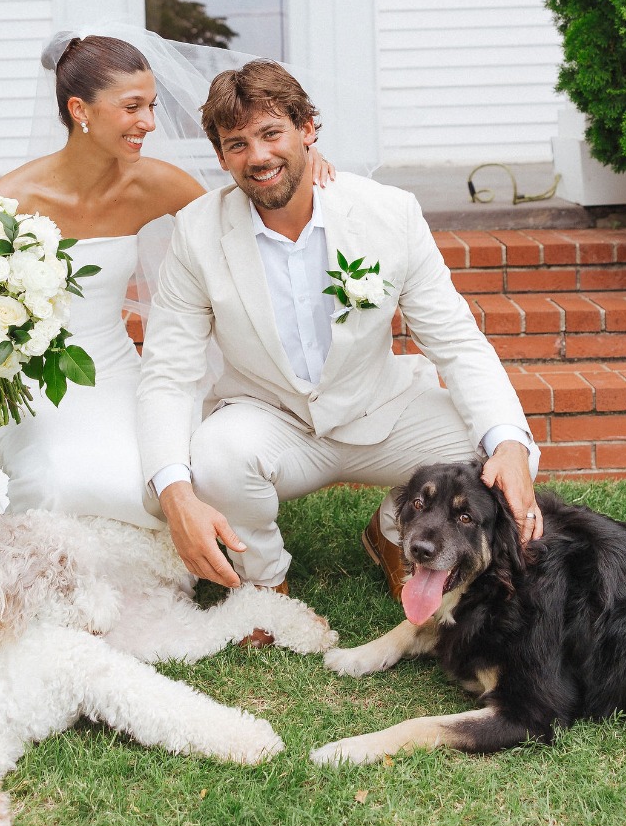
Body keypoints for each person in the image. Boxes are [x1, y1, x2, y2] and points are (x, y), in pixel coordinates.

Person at [137, 61, 541, 597]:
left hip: (381, 411)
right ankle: (263, 584)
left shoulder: (389, 213)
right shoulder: (195, 232)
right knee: (214, 459)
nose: (256, 157)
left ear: (307, 130)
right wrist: (175, 493)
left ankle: (395, 531)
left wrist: (509, 443)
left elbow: (458, 342)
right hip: (272, 419)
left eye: (271, 133)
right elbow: (167, 371)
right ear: (220, 156)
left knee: (507, 447)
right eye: (237, 144)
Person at [0, 32, 334, 525]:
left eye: (150, 105)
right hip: (34, 377)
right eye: (132, 108)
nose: (149, 122)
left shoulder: (156, 182)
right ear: (80, 110)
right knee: (66, 481)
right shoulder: (9, 201)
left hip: (116, 367)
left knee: (153, 477)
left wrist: (298, 163)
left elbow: (243, 213)